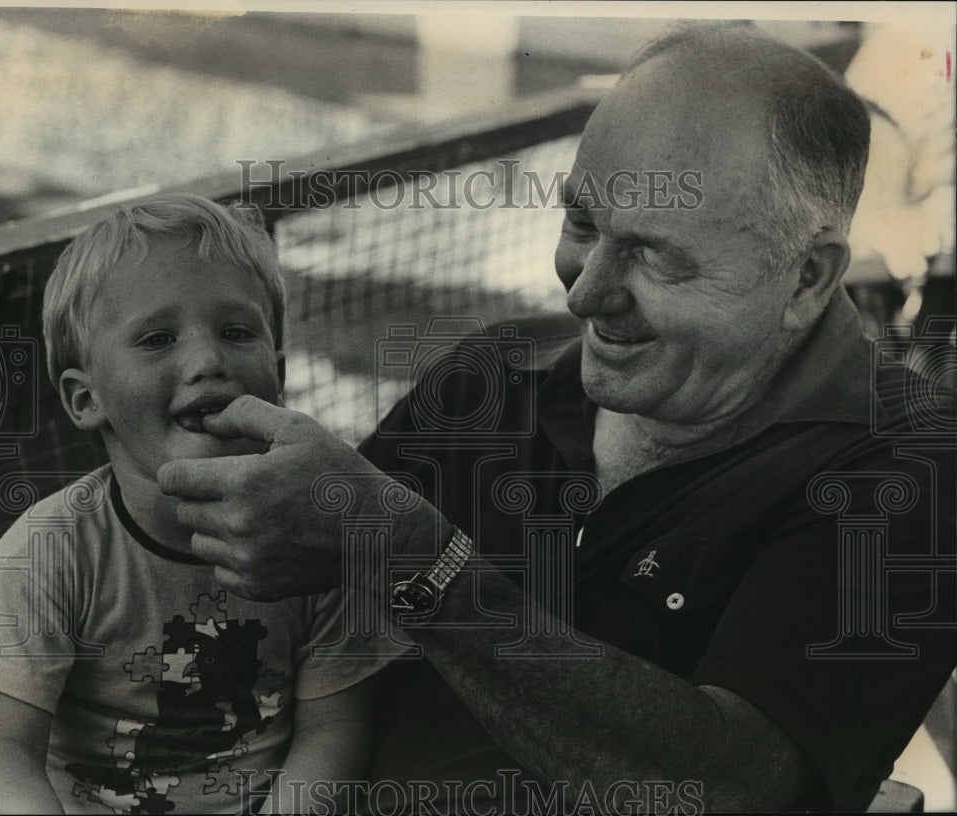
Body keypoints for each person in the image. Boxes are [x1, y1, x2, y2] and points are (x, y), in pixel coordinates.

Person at [157, 25, 957, 813]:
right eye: (581, 223)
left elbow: (731, 788)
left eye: (654, 254)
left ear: (806, 277)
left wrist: (414, 560)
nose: (583, 291)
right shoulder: (492, 377)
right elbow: (289, 608)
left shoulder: (909, 461)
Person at [0, 194, 399, 814]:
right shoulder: (50, 552)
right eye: (158, 339)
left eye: (237, 332)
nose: (208, 361)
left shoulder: (318, 538)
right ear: (86, 399)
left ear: (278, 373)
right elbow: (2, 750)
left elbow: (333, 730)